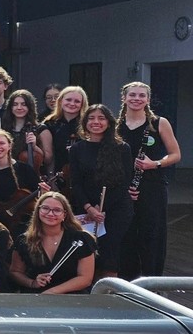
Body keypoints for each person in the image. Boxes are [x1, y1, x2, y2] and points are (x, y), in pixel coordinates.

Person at [117, 81, 181, 279]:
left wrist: (155, 164)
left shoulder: (159, 123)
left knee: (152, 234)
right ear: (124, 98)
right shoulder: (116, 125)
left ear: (148, 100)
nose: (137, 99)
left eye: (141, 96)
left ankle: (152, 281)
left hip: (152, 186)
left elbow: (175, 154)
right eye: (132, 95)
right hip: (124, 187)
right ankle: (128, 281)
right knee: (126, 234)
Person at [69, 104, 133, 279]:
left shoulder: (122, 148)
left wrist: (101, 208)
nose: (95, 122)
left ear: (109, 122)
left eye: (101, 118)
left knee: (110, 250)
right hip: (86, 209)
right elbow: (76, 183)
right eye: (91, 118)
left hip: (115, 209)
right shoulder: (77, 148)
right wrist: (89, 208)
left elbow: (124, 183)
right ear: (85, 122)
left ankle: (109, 291)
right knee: (88, 250)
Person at [9, 191, 95, 294]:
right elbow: (15, 272)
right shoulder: (24, 240)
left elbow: (85, 278)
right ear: (38, 211)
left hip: (72, 299)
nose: (50, 214)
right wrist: (32, 283)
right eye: (45, 208)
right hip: (37, 299)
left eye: (57, 210)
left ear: (64, 214)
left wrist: (52, 292)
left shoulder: (81, 238)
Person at [0, 129, 45, 235]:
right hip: (0, 225)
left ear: (9, 146)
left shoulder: (24, 169)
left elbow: (38, 195)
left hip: (26, 223)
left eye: (2, 143)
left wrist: (43, 191)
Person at [42, 85, 88, 191]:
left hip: (84, 178)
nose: (72, 104)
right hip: (58, 177)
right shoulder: (50, 124)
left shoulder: (88, 124)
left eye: (77, 101)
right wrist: (51, 180)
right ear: (61, 101)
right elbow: (50, 156)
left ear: (82, 104)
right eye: (68, 100)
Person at [6, 89, 53, 174]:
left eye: (24, 104)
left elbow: (48, 160)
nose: (19, 107)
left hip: (33, 175)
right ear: (11, 107)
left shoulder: (41, 129)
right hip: (9, 174)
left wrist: (35, 147)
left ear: (30, 107)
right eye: (15, 104)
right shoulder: (5, 129)